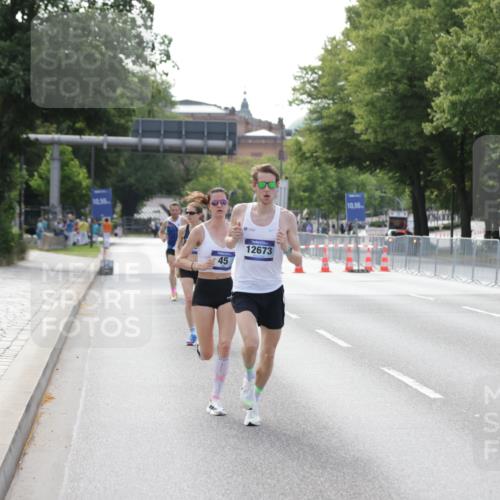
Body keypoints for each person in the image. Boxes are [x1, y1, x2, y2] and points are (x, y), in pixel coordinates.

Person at [226, 164, 302, 427]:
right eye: (263, 185)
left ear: (277, 188)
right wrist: (232, 238)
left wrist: (285, 247)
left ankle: (255, 403)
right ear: (254, 186)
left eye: (272, 185)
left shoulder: (286, 218)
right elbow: (227, 242)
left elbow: (298, 259)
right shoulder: (240, 211)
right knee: (250, 344)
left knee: (268, 355)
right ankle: (248, 379)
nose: (267, 190)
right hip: (245, 289)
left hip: (272, 291)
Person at [176, 188, 236, 417]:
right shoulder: (200, 231)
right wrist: (197, 266)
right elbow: (180, 258)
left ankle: (215, 398)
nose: (220, 206)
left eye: (223, 202)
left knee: (225, 345)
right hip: (204, 290)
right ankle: (202, 346)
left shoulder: (235, 230)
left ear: (228, 205)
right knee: (209, 353)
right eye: (215, 203)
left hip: (228, 289)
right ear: (209, 206)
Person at [175, 194, 204, 346]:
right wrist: (177, 263)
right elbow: (178, 247)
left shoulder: (205, 229)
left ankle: (201, 331)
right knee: (188, 299)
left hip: (201, 268)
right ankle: (192, 331)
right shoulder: (182, 229)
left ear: (200, 214)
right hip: (186, 266)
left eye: (191, 213)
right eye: (186, 212)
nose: (188, 215)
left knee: (200, 301)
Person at [159, 202, 186, 301]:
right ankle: (173, 292)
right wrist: (163, 237)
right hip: (171, 248)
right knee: (172, 270)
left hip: (182, 249)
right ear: (170, 211)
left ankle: (188, 291)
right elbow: (161, 232)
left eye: (176, 210)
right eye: (172, 210)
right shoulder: (167, 221)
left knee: (180, 272)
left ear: (179, 210)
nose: (174, 212)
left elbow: (191, 230)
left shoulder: (183, 220)